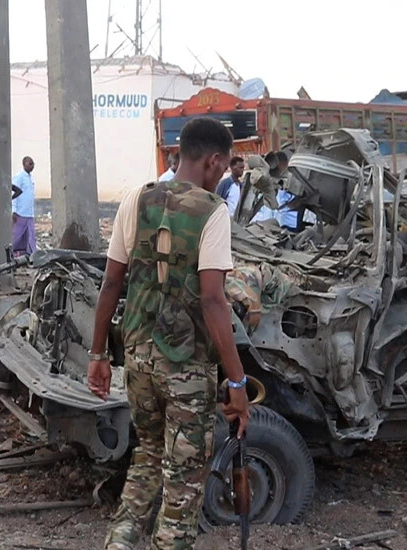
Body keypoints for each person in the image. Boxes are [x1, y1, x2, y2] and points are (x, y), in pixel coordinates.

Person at [87, 117, 250, 550]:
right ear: (214, 162)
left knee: (145, 461)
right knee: (182, 487)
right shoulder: (213, 211)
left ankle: (118, 544)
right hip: (187, 370)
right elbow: (213, 300)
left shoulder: (136, 200)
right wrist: (237, 382)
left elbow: (111, 283)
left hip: (137, 358)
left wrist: (98, 354)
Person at [12, 156, 36, 256]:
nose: (32, 166)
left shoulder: (30, 178)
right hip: (20, 212)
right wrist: (14, 210)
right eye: (30, 163)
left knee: (30, 236)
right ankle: (11, 252)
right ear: (24, 164)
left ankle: (31, 254)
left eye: (33, 164)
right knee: (16, 236)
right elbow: (13, 194)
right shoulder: (19, 177)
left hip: (29, 213)